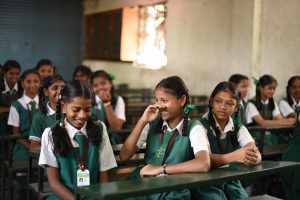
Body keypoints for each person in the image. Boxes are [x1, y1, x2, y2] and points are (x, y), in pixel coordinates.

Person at [119, 76, 210, 199]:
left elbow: (203, 163)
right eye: (157, 100)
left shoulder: (194, 128)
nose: (159, 106)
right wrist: (142, 121)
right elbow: (124, 156)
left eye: (164, 100)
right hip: (144, 184)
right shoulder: (151, 123)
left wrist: (161, 169)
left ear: (182, 100)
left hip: (173, 187)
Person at [39, 80, 117, 200]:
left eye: (87, 109)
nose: (82, 115)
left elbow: (103, 174)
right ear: (64, 107)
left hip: (94, 196)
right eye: (76, 109)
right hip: (64, 197)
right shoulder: (50, 134)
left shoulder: (100, 129)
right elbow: (54, 182)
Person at [192, 81, 261, 199]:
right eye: (218, 101)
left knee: (241, 196)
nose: (223, 107)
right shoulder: (199, 126)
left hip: (229, 179)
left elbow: (256, 153)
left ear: (237, 107)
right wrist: (235, 156)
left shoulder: (238, 127)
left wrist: (254, 158)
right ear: (211, 101)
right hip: (204, 182)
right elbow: (206, 160)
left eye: (229, 103)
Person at [246, 74, 296, 146]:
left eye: (274, 89)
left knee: (287, 138)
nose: (272, 91)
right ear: (261, 88)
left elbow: (280, 119)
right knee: (269, 142)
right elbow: (262, 123)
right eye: (269, 88)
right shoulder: (251, 104)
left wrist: (289, 121)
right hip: (256, 134)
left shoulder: (272, 102)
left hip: (269, 132)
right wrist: (288, 122)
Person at [7, 69, 40, 160]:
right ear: (22, 83)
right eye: (28, 82)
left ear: (40, 83)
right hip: (23, 146)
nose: (32, 85)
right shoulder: (16, 106)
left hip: (42, 146)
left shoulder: (45, 104)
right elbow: (16, 134)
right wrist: (31, 147)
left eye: (36, 81)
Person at [29, 74, 65, 150]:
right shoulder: (40, 116)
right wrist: (55, 149)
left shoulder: (73, 113)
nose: (59, 91)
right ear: (46, 92)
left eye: (63, 88)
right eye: (55, 88)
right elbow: (33, 147)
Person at [91, 70, 126, 144]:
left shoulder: (118, 100)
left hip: (112, 141)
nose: (100, 87)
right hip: (92, 140)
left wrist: (106, 103)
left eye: (103, 83)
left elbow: (116, 127)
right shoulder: (89, 101)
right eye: (95, 85)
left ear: (110, 84)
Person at [0, 60, 22, 135]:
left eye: (17, 74)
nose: (14, 76)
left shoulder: (23, 86)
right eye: (11, 73)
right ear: (4, 73)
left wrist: (5, 109)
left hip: (19, 125)